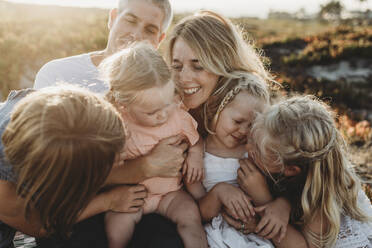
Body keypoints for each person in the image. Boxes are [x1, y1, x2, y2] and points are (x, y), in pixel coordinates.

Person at [34, 1, 187, 247]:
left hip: (145, 204)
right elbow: (49, 170)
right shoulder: (58, 74)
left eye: (149, 29)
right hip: (79, 206)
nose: (136, 34)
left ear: (160, 38)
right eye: (130, 20)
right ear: (113, 17)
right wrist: (141, 168)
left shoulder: (160, 85)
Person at [100, 42, 207, 248]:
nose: (163, 114)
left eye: (167, 103)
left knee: (190, 217)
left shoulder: (178, 116)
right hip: (134, 195)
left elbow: (195, 139)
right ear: (124, 106)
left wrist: (195, 155)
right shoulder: (117, 125)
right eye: (151, 112)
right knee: (116, 226)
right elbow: (107, 167)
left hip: (170, 193)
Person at [0, 85, 134, 248]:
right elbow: (40, 225)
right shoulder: (4, 186)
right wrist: (108, 201)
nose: (124, 155)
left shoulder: (53, 107)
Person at [237, 95, 372, 248]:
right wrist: (283, 203)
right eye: (251, 140)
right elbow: (291, 193)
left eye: (257, 152)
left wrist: (263, 198)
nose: (248, 148)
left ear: (290, 169)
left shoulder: (319, 202)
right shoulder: (302, 165)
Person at [183, 72, 278, 248]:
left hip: (256, 234)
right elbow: (198, 212)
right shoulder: (198, 156)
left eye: (252, 125)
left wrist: (275, 208)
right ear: (215, 108)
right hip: (217, 235)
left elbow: (275, 189)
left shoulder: (254, 153)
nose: (243, 131)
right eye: (238, 121)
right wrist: (219, 193)